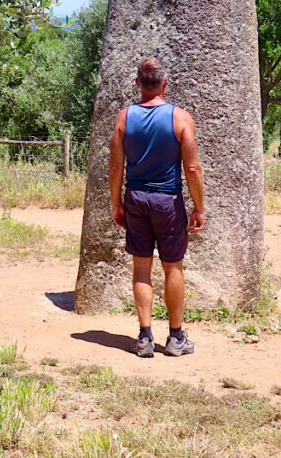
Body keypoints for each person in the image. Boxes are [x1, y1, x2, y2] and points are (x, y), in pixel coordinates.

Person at [109, 58, 205, 357]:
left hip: (135, 198)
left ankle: (145, 337)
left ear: (138, 84)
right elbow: (192, 168)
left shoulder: (124, 118)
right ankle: (176, 338)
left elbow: (115, 167)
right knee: (172, 266)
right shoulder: (180, 118)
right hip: (168, 202)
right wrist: (199, 207)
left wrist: (116, 203)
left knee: (141, 267)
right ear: (165, 82)